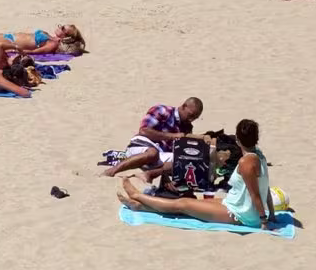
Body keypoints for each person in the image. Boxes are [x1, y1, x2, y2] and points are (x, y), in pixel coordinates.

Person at [119, 118, 278, 230]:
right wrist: (271, 214)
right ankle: (140, 206)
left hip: (242, 215)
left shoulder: (246, 163)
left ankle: (138, 196)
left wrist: (264, 222)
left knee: (183, 204)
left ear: (237, 139)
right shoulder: (260, 155)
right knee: (188, 203)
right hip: (237, 204)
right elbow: (266, 188)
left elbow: (256, 193)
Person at [101, 98, 205, 178]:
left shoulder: (187, 127)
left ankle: (149, 175)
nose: (191, 119)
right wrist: (173, 136)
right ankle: (112, 171)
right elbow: (144, 131)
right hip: (144, 143)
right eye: (190, 115)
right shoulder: (163, 110)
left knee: (183, 161)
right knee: (152, 153)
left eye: (195, 118)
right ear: (183, 106)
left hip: (161, 154)